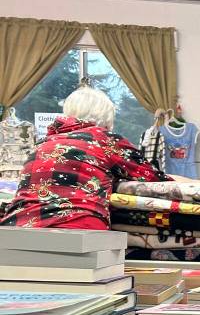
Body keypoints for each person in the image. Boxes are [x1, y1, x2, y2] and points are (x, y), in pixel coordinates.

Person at [0, 84, 169, 229]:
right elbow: (155, 181)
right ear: (107, 118)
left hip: (18, 227)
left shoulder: (43, 143)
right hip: (77, 228)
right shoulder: (105, 140)